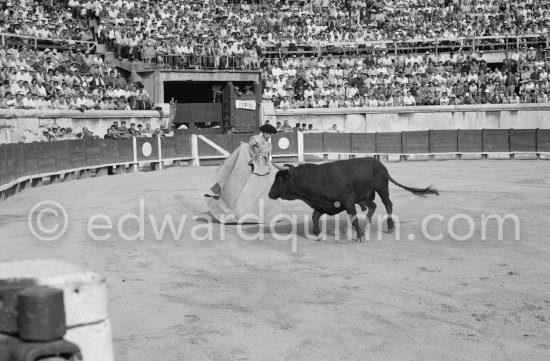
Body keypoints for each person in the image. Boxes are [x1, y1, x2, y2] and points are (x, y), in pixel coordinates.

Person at [204, 123, 284, 224]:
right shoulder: (256, 139)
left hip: (264, 168)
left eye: (270, 134)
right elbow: (247, 148)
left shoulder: (269, 144)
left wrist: (271, 167)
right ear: (263, 132)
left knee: (266, 190)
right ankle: (240, 212)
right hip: (254, 166)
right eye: (267, 133)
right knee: (245, 190)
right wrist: (252, 159)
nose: (268, 136)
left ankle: (265, 214)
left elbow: (268, 158)